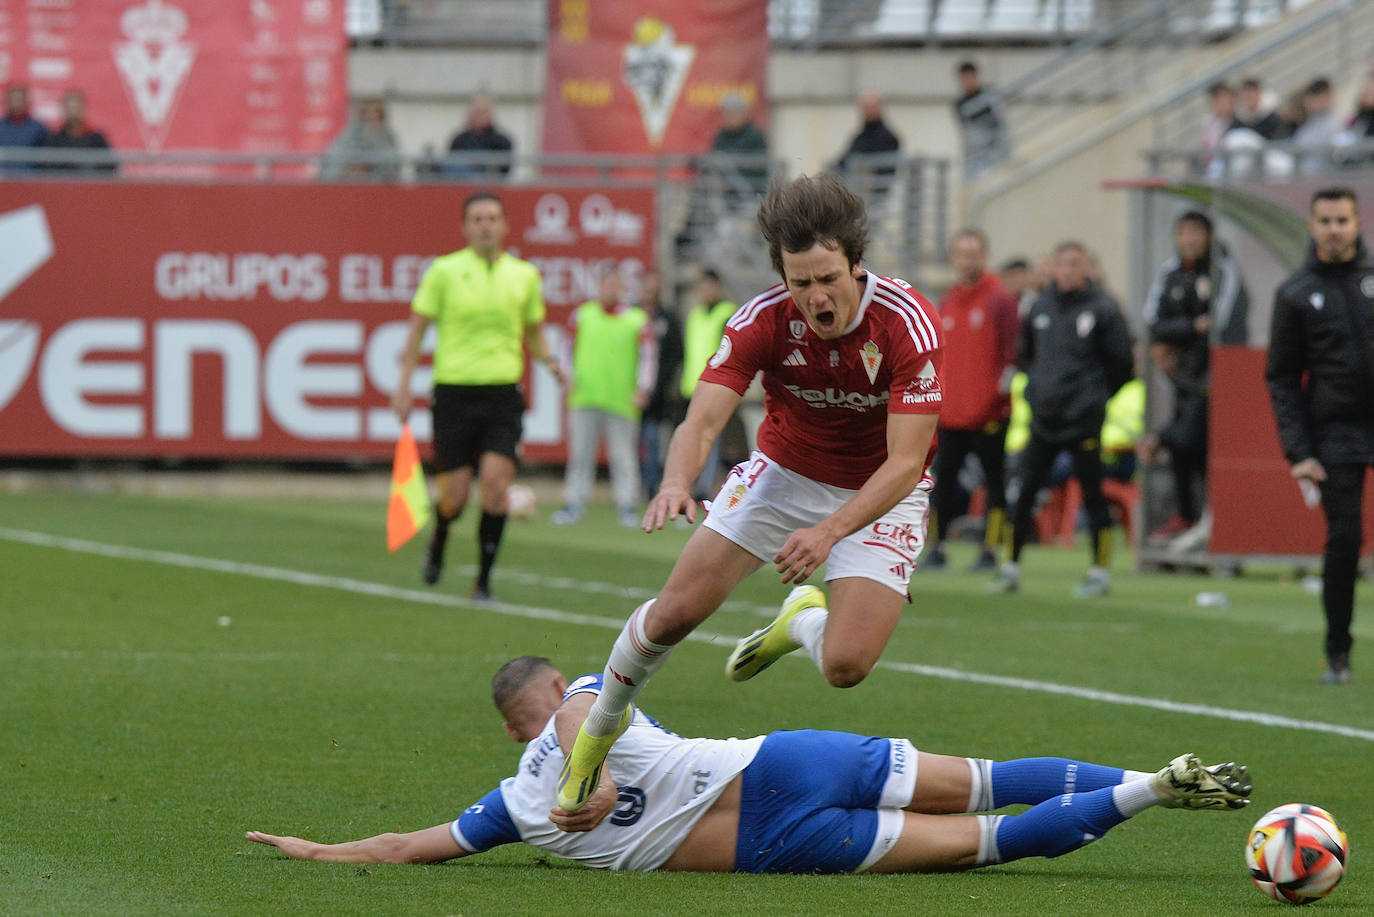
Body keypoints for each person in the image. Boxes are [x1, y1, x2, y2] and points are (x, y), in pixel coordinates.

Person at [556, 174, 945, 815]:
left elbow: (905, 465)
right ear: (782, 278)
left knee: (847, 666)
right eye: (801, 283)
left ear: (856, 265)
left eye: (829, 279)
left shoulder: (907, 325)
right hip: (782, 478)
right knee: (674, 614)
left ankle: (801, 625)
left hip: (883, 491)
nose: (817, 298)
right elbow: (702, 419)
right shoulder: (762, 321)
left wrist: (828, 533)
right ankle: (598, 734)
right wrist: (677, 482)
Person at [246, 656, 1253, 873]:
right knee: (986, 776)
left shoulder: (527, 787)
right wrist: (320, 847)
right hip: (788, 754)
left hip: (778, 832)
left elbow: (411, 843)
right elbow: (414, 841)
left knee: (984, 841)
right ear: (547, 693)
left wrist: (321, 849)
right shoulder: (582, 707)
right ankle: (1145, 775)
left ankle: (1151, 787)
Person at [392, 191, 563, 601]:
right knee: (453, 497)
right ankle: (440, 537)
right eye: (477, 218)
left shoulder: (524, 276)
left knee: (494, 485)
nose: (485, 225)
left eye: (492, 218)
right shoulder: (444, 272)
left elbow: (533, 330)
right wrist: (403, 385)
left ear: (505, 226)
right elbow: (417, 328)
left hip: (502, 395)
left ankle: (483, 581)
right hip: (454, 393)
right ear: (465, 228)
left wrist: (550, 361)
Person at [1266, 186, 1374, 685]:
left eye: (1343, 220)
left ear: (1357, 223)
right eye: (1325, 220)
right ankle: (1338, 652)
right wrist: (1299, 451)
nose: (1334, 229)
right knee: (1345, 537)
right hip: (1337, 432)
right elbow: (1283, 378)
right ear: (1312, 227)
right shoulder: (1294, 292)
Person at [990, 241, 1133, 599]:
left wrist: (1093, 398)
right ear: (1053, 268)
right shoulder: (1040, 306)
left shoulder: (1103, 309)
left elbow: (1123, 365)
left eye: (1075, 264)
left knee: (1092, 492)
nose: (1068, 271)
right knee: (1024, 491)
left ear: (1087, 268)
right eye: (1062, 264)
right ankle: (1010, 566)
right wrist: (1040, 391)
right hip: (1044, 419)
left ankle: (1099, 572)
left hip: (1083, 420)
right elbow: (1025, 355)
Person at [1140, 211, 1250, 552]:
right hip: (1181, 379)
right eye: (1183, 232)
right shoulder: (1169, 273)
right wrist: (1190, 327)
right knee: (1187, 447)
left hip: (1215, 378)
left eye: (1196, 233)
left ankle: (1209, 518)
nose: (1189, 239)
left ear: (1208, 237)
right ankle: (1189, 518)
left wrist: (1183, 332)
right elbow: (1153, 323)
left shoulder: (1224, 272)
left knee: (1189, 439)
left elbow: (1221, 326)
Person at [926, 229, 1019, 573]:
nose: (968, 260)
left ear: (985, 256)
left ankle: (990, 549)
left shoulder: (1000, 300)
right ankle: (937, 547)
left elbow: (1013, 355)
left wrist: (998, 398)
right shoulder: (948, 300)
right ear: (953, 259)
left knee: (993, 482)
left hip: (989, 414)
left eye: (974, 254)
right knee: (941, 483)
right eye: (962, 254)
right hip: (951, 413)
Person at [553, 271, 657, 528]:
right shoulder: (582, 315)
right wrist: (566, 375)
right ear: (599, 287)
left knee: (623, 456)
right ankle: (573, 504)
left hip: (621, 398)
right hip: (584, 395)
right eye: (607, 284)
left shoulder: (636, 319)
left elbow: (648, 356)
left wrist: (644, 387)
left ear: (623, 289)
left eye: (616, 285)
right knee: (580, 455)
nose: (611, 290)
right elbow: (566, 348)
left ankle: (628, 506)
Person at [678, 268, 738, 501]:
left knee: (709, 444)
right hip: (692, 389)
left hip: (716, 391)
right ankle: (694, 490)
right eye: (700, 287)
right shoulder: (695, 316)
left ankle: (704, 493)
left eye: (708, 286)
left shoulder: (727, 313)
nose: (704, 291)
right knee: (693, 443)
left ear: (718, 287)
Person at [638, 269, 685, 502]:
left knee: (656, 442)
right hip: (629, 395)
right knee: (633, 444)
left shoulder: (668, 318)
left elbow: (677, 353)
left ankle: (652, 487)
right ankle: (637, 487)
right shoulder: (632, 315)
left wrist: (661, 382)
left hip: (659, 397)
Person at [832, 92, 901, 197]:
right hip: (853, 192)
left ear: (880, 108)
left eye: (871, 106)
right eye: (865, 107)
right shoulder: (859, 137)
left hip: (872, 197)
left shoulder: (887, 138)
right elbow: (842, 161)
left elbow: (884, 172)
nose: (868, 111)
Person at [319, 98, 400, 181]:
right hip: (345, 182)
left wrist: (369, 165)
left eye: (376, 113)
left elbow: (392, 162)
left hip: (377, 184)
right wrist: (351, 165)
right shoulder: (349, 135)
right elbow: (334, 156)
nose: (371, 116)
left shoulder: (388, 137)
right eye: (367, 113)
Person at [954, 62, 1010, 180]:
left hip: (994, 149)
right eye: (963, 79)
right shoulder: (960, 104)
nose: (966, 82)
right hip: (975, 154)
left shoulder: (988, 98)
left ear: (976, 77)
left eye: (969, 78)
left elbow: (1001, 124)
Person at [707, 93, 769, 199]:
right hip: (725, 193)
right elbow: (713, 159)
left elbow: (758, 167)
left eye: (733, 113)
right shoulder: (721, 136)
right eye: (726, 113)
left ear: (744, 113)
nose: (729, 117)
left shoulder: (754, 135)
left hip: (751, 192)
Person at [42, 90, 115, 173]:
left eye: (77, 108)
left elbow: (110, 166)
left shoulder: (97, 139)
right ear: (63, 110)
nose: (73, 112)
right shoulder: (54, 139)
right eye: (69, 108)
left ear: (84, 109)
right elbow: (47, 167)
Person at [444, 95, 514, 180]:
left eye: (483, 112)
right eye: (476, 112)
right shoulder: (459, 139)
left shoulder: (502, 141)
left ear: (491, 115)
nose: (479, 116)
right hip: (458, 183)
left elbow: (504, 169)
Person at [0, 84, 47, 172]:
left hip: (29, 180)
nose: (16, 103)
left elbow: (44, 160)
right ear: (7, 101)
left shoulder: (38, 128)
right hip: (3, 180)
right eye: (12, 99)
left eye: (19, 99)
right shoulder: (1, 126)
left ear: (26, 101)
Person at [1200, 82, 1234, 162]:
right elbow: (1205, 152)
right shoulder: (1209, 124)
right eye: (1216, 100)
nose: (1220, 104)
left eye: (1223, 99)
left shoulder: (1240, 120)